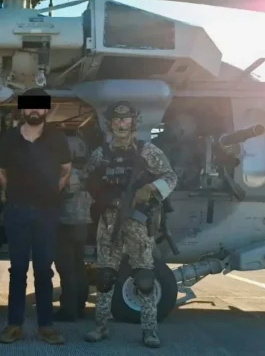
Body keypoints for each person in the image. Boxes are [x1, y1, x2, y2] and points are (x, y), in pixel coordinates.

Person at [82, 101, 178, 349]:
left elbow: (171, 177)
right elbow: (87, 180)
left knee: (144, 277)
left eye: (125, 120)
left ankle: (150, 331)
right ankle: (101, 327)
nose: (121, 124)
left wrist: (150, 189)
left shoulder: (148, 151)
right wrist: (99, 195)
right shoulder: (101, 154)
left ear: (134, 122)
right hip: (109, 221)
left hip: (138, 220)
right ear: (110, 124)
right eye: (116, 120)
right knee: (105, 276)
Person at [0, 87, 72, 345]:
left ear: (46, 109)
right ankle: (13, 325)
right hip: (17, 212)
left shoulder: (57, 138)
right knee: (17, 270)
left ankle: (46, 326)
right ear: (23, 109)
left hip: (47, 212)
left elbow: (66, 169)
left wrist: (50, 193)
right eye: (30, 105)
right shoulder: (9, 139)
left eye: (39, 105)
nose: (34, 110)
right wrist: (13, 193)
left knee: (43, 270)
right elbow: (0, 170)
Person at [54, 135, 93, 321]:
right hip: (83, 224)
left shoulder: (65, 174)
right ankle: (80, 305)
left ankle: (69, 310)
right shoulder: (88, 172)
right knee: (78, 265)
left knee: (66, 268)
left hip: (65, 224)